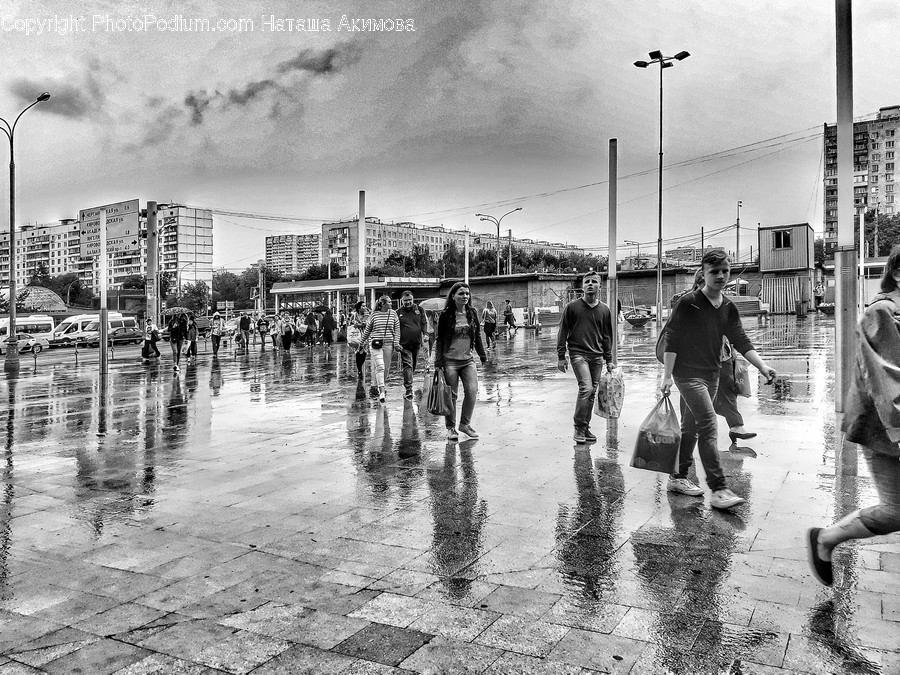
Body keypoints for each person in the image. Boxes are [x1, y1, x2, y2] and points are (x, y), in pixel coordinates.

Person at [808, 245, 900, 586]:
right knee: (895, 511)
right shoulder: (883, 314)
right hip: (887, 431)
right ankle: (826, 538)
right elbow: (890, 382)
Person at [661, 250, 777, 510]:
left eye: (725, 270)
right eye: (715, 271)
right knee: (709, 425)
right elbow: (672, 339)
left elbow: (740, 339)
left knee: (691, 427)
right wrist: (667, 376)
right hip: (687, 375)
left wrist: (762, 366)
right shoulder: (688, 302)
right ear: (703, 273)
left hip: (711, 374)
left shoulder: (727, 307)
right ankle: (718, 488)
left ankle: (678, 477)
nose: (721, 276)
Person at [685, 269, 757, 446]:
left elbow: (735, 333)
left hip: (723, 358)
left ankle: (736, 427)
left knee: (728, 391)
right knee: (695, 404)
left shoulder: (723, 304)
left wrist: (734, 352)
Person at [556, 271, 614, 444]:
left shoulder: (604, 310)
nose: (590, 284)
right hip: (578, 354)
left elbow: (607, 336)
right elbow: (563, 331)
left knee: (592, 393)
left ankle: (585, 427)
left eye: (594, 282)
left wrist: (609, 359)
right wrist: (561, 355)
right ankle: (578, 427)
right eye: (587, 281)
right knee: (586, 388)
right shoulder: (572, 308)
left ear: (599, 286)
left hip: (597, 357)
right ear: (582, 286)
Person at [434, 282, 487, 440]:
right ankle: (451, 428)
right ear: (453, 296)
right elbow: (440, 340)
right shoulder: (446, 315)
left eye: (467, 294)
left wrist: (482, 355)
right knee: (451, 396)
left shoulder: (472, 312)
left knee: (472, 391)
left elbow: (477, 336)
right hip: (449, 361)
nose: (465, 296)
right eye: (461, 294)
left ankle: (464, 424)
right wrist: (438, 363)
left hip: (467, 360)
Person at [359, 295, 400, 403]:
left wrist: (396, 343)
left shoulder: (393, 314)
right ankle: (381, 390)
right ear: (383, 304)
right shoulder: (374, 315)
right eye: (389, 302)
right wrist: (361, 343)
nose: (391, 304)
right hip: (375, 344)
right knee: (380, 367)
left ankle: (381, 384)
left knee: (386, 368)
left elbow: (397, 330)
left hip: (388, 344)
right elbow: (367, 330)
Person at [397, 291, 427, 400]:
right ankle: (409, 390)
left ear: (413, 299)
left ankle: (408, 379)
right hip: (404, 345)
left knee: (412, 366)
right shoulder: (398, 312)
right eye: (405, 300)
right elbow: (394, 329)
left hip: (416, 343)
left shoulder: (419, 310)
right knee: (408, 365)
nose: (408, 302)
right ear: (402, 301)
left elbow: (424, 323)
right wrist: (396, 343)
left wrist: (425, 334)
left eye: (410, 300)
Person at [351, 301, 370, 378]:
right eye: (363, 306)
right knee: (358, 353)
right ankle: (359, 370)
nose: (365, 307)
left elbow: (368, 324)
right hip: (356, 337)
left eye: (365, 306)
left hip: (365, 337)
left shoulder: (367, 315)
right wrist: (359, 324)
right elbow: (351, 324)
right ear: (359, 308)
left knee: (364, 353)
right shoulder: (354, 315)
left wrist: (359, 324)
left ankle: (360, 367)